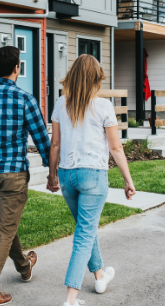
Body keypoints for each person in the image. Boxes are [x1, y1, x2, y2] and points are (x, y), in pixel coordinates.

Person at [47, 54, 137, 306]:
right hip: (93, 177)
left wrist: (52, 174)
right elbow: (116, 148)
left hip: (67, 175)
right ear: (96, 79)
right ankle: (70, 300)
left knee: (86, 228)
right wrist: (128, 181)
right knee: (84, 235)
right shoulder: (104, 106)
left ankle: (99, 276)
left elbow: (55, 144)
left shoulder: (60, 103)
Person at [0, 46, 51, 306]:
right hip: (14, 174)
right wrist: (52, 172)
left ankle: (24, 267)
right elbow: (42, 140)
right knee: (4, 230)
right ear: (17, 68)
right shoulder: (25, 99)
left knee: (7, 224)